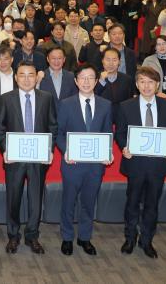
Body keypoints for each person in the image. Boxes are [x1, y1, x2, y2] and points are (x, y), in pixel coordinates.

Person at [115, 67, 166, 259]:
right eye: (142, 81)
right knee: (132, 203)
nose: (146, 86)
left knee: (152, 205)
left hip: (158, 165)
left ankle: (147, 240)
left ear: (157, 85)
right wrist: (124, 147)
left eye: (151, 82)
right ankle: (130, 238)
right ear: (137, 84)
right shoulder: (126, 106)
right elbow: (120, 133)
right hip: (135, 163)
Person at [0, 61, 57, 254]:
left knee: (35, 199)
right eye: (22, 75)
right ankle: (13, 236)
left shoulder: (46, 98)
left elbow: (53, 126)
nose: (27, 79)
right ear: (16, 77)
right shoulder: (6, 99)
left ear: (37, 77)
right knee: (13, 198)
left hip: (38, 159)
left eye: (31, 75)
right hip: (15, 159)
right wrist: (5, 149)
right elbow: (0, 128)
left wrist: (49, 149)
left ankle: (32, 236)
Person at [56, 64, 113, 256]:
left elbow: (107, 133)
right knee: (68, 202)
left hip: (95, 165)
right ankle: (67, 237)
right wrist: (66, 151)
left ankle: (85, 237)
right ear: (76, 81)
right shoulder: (65, 104)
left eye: (90, 78)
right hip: (72, 163)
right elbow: (59, 133)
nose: (86, 81)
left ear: (96, 81)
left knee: (89, 202)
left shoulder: (106, 105)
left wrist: (108, 152)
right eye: (82, 77)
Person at [95, 48, 136, 117]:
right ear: (102, 61)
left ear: (119, 62)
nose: (111, 63)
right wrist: (101, 81)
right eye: (108, 60)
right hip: (101, 116)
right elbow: (92, 97)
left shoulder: (127, 79)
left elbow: (129, 101)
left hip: (121, 117)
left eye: (114, 60)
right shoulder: (94, 78)